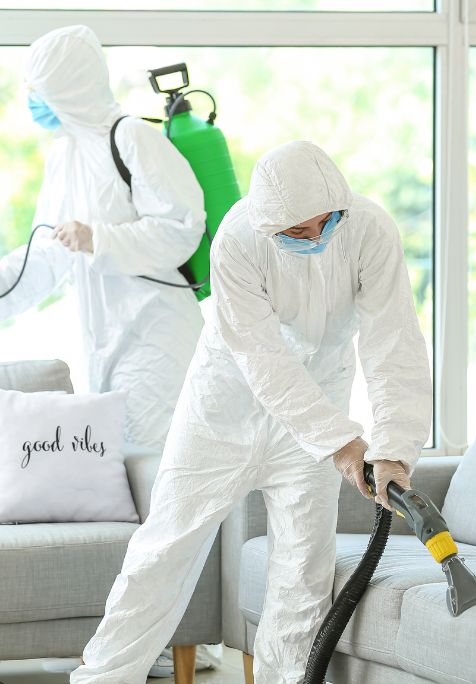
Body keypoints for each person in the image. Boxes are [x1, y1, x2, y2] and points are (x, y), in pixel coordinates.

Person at [70, 140, 432, 684]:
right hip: (225, 408)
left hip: (318, 403)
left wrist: (394, 447)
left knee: (303, 574)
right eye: (298, 232)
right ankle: (102, 678)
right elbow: (264, 360)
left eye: (325, 223)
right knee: (163, 551)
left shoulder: (370, 229)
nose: (316, 236)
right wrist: (341, 442)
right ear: (270, 226)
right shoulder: (238, 239)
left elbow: (393, 343)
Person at [0, 24, 218, 679]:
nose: (33, 103)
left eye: (41, 90)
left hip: (156, 334)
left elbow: (185, 225)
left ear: (69, 86)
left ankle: (167, 637)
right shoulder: (65, 155)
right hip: (102, 337)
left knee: (151, 484)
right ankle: (131, 635)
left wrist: (102, 237)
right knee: (117, 483)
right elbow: (45, 256)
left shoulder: (133, 139)